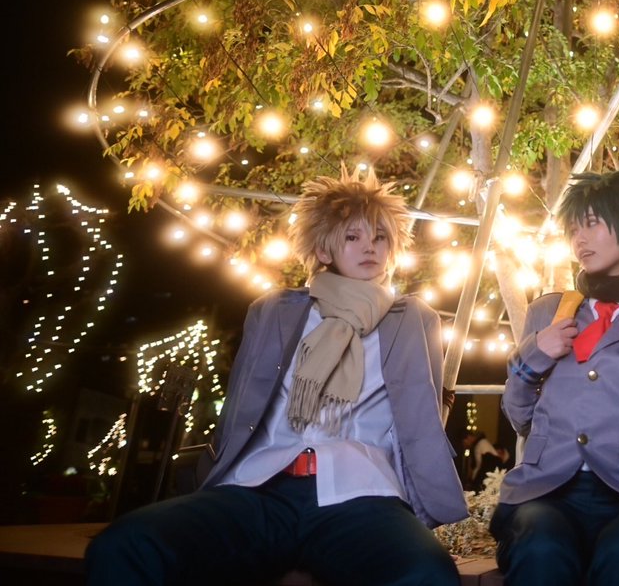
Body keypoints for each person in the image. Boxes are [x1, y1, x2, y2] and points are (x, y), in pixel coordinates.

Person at [85, 168, 467, 586]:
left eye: (380, 237)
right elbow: (238, 406)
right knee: (124, 544)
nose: (369, 247)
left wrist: (425, 503)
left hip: (361, 494)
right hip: (259, 487)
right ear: (323, 248)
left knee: (428, 573)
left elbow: (422, 417)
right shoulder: (274, 311)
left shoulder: (412, 319)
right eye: (352, 236)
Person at [490, 169, 619, 586]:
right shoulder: (548, 311)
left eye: (591, 224)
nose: (579, 240)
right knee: (541, 549)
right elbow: (518, 417)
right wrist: (533, 355)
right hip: (544, 491)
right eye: (573, 230)